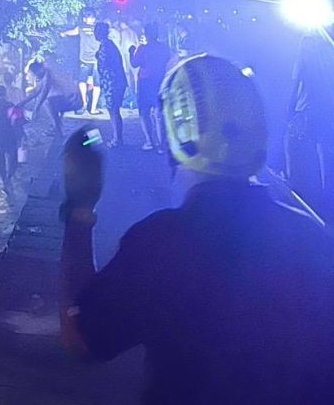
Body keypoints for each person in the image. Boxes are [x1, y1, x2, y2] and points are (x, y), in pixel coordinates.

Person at [59, 55, 334, 404]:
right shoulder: (313, 238)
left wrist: (79, 208)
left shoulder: (160, 245)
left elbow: (82, 340)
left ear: (173, 135)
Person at [287, 24, 334, 219]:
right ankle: (324, 195)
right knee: (324, 150)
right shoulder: (326, 46)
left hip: (308, 108)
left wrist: (290, 108)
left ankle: (305, 193)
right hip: (324, 106)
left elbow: (297, 77)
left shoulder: (307, 42)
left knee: (305, 149)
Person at [130, 22, 171, 151]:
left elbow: (134, 63)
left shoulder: (143, 49)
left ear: (147, 35)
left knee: (144, 112)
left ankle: (149, 141)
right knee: (159, 113)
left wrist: (131, 52)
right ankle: (162, 144)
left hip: (145, 82)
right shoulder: (164, 48)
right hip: (160, 81)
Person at [25, 59, 78, 136]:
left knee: (47, 102)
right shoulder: (48, 72)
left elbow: (43, 92)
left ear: (39, 69)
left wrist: (36, 109)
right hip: (70, 98)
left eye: (35, 73)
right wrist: (22, 103)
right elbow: (37, 91)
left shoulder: (49, 74)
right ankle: (57, 127)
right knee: (51, 101)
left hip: (73, 100)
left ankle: (57, 129)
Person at [61, 10, 100, 114]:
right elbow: (73, 32)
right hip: (91, 59)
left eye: (93, 17)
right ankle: (87, 105)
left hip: (92, 60)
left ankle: (89, 105)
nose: (92, 19)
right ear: (84, 19)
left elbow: (72, 32)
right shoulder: (96, 28)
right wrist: (64, 33)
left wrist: (63, 33)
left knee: (91, 83)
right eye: (90, 17)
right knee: (88, 82)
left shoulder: (83, 28)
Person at [94, 21, 126, 147]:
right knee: (114, 110)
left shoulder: (105, 46)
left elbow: (105, 66)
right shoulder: (109, 44)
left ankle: (117, 139)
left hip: (112, 82)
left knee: (113, 110)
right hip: (115, 81)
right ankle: (117, 138)